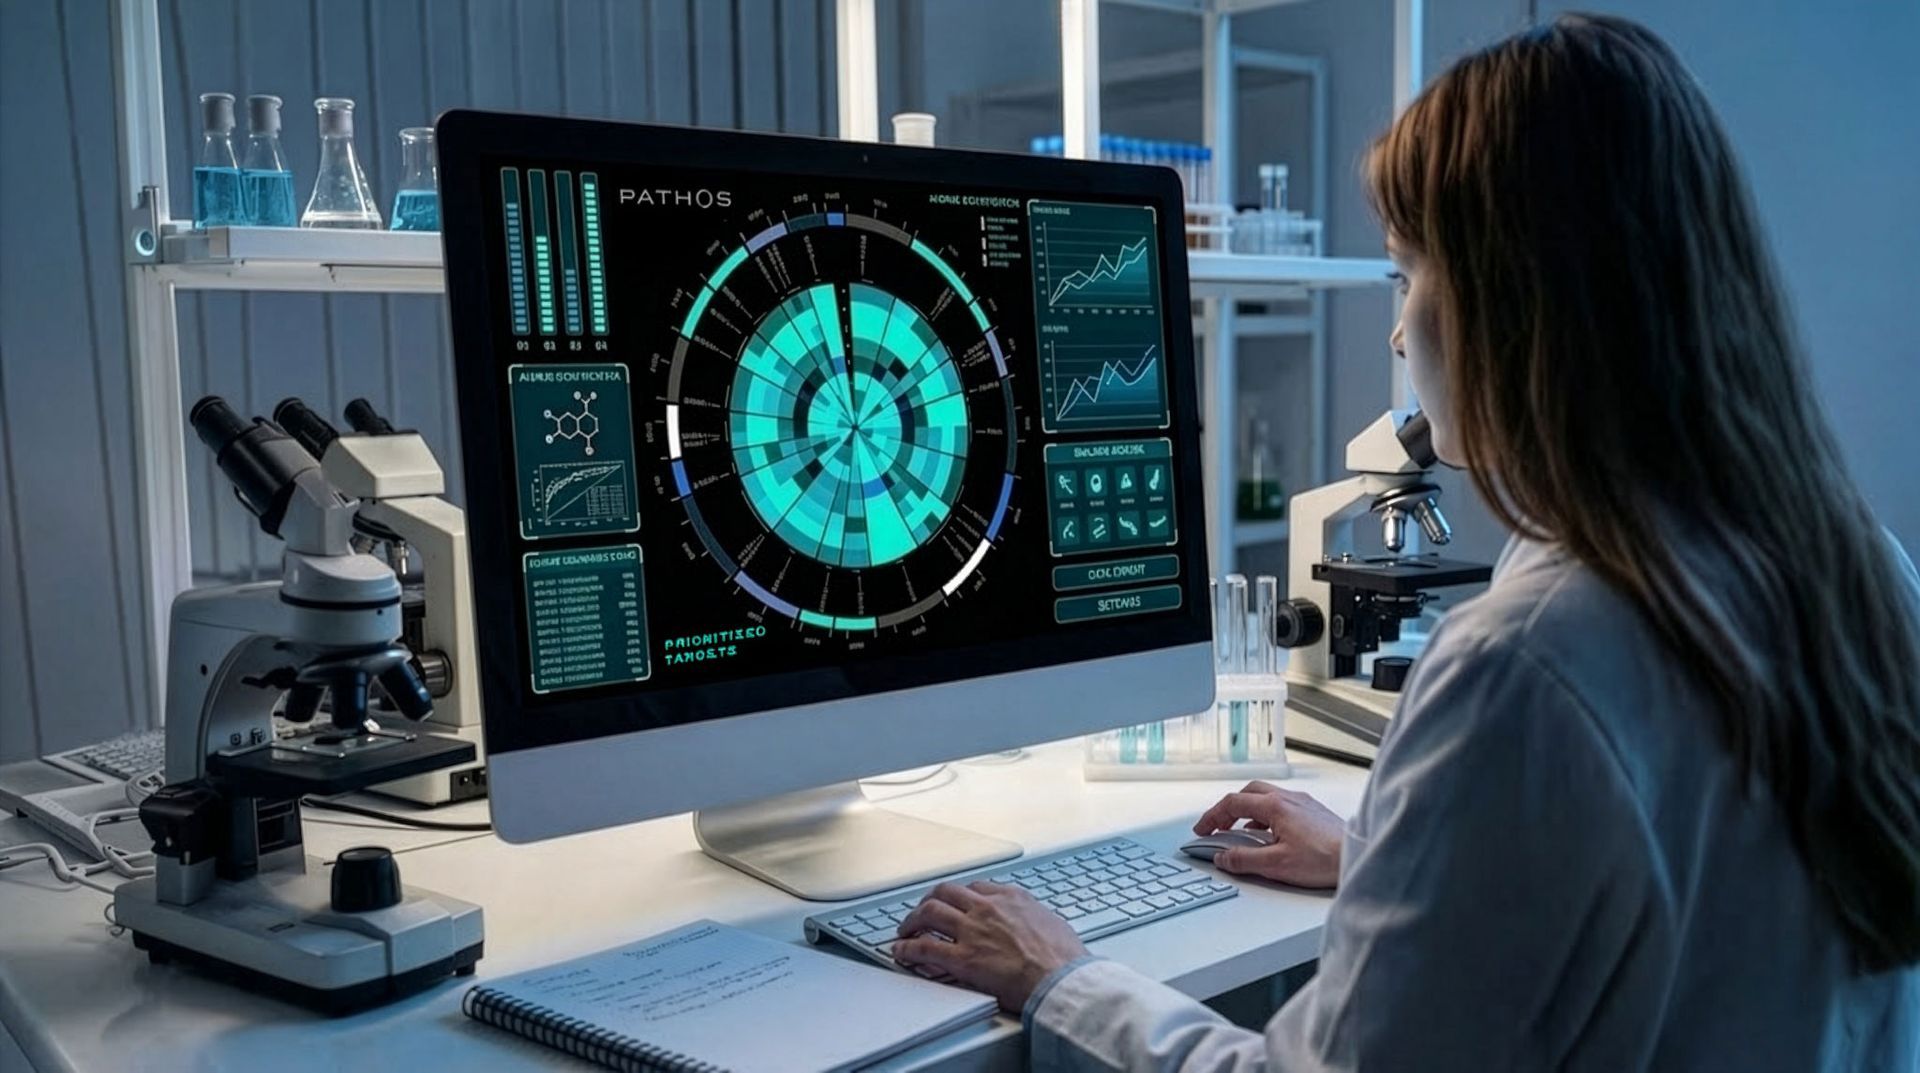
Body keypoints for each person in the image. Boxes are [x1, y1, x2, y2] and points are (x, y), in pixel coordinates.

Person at [890, 14, 1920, 1070]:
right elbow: (1676, 919)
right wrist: (1396, 864)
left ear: (1511, 302)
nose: (1397, 330)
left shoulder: (1526, 664)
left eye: (1404, 275)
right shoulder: (1866, 573)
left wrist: (1062, 977)